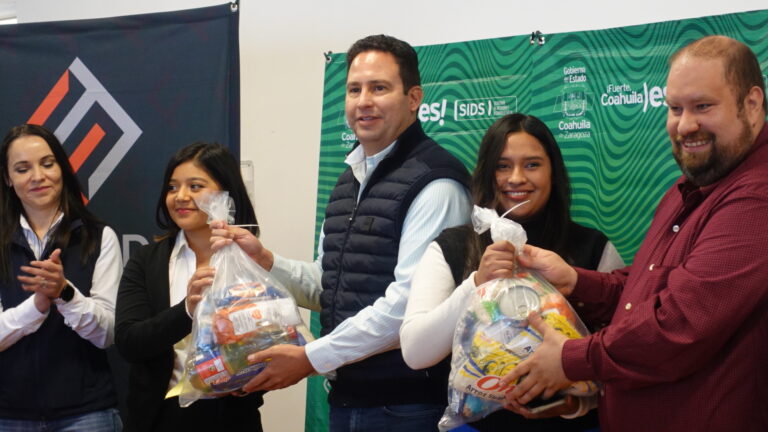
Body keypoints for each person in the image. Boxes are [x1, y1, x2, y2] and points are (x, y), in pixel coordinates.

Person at [500, 35, 768, 432]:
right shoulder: (685, 190)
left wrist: (571, 359)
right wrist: (576, 281)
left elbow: (678, 324)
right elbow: (648, 290)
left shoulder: (756, 198)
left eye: (703, 106)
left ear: (752, 103)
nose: (685, 124)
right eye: (675, 108)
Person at [210, 34, 472, 431]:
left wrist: (311, 358)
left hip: (407, 406)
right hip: (349, 399)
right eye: (354, 89)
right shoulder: (348, 180)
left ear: (414, 97)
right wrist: (264, 260)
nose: (363, 100)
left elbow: (405, 309)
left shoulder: (436, 183)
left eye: (379, 88)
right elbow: (326, 288)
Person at [399, 113, 624, 432]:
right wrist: (476, 283)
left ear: (553, 173)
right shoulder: (453, 247)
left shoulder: (593, 248)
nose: (516, 178)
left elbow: (620, 356)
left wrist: (576, 405)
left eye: (532, 164)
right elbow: (416, 351)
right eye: (503, 166)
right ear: (487, 173)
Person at [114, 142, 264, 431]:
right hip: (159, 417)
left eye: (195, 186)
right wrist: (186, 309)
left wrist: (247, 381)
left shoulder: (249, 258)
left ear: (225, 192)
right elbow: (129, 341)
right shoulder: (147, 261)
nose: (180, 197)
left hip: (232, 417)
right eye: (172, 188)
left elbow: (271, 342)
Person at [0, 124, 122, 430]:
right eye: (23, 168)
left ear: (62, 168)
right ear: (8, 179)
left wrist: (65, 293)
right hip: (9, 413)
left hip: (87, 413)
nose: (38, 176)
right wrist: (38, 305)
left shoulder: (98, 237)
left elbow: (108, 333)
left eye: (47, 163)